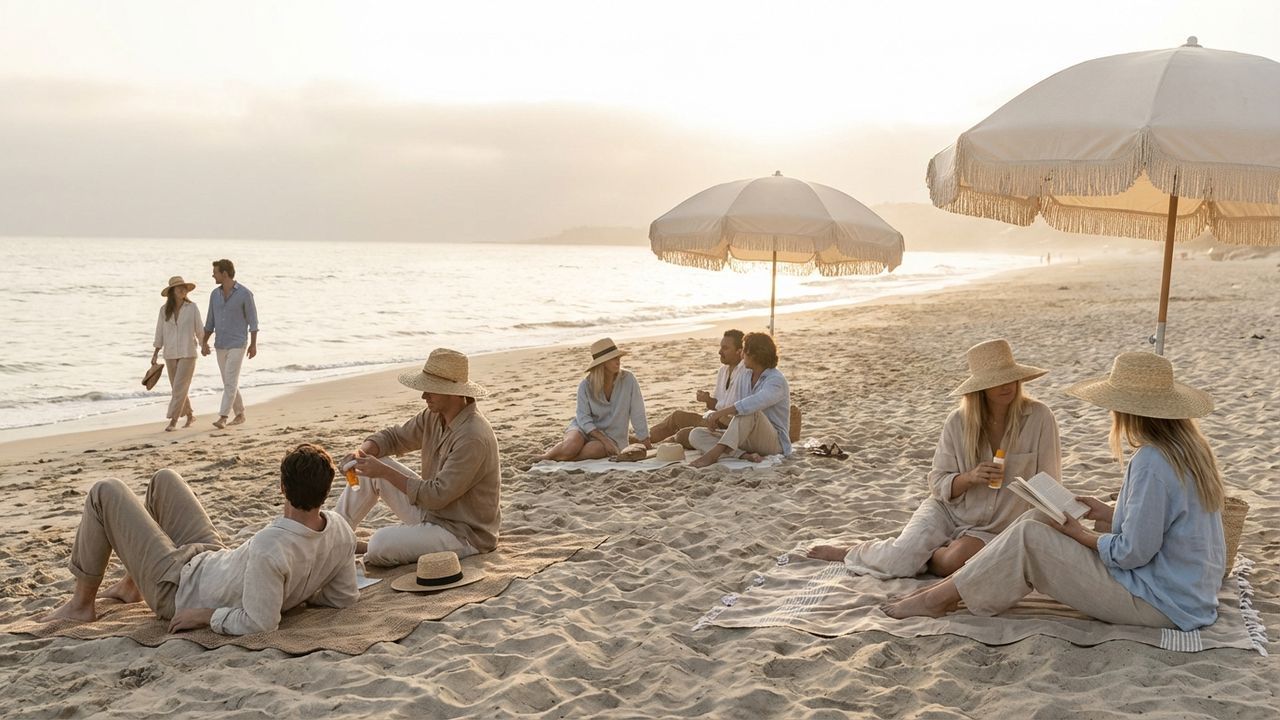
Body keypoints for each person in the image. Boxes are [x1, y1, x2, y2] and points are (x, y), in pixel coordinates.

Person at [884, 351, 1225, 632]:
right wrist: (1109, 514)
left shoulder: (1151, 461)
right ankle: (951, 589)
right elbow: (1161, 526)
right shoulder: (1188, 450)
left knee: (1031, 537)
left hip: (1161, 603)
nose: (1112, 413)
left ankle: (937, 599)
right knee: (1036, 517)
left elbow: (1131, 554)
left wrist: (1081, 535)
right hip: (1185, 594)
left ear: (1128, 410)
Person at [39, 443, 358, 635]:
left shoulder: (269, 548)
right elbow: (342, 596)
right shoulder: (341, 530)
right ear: (326, 489)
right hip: (213, 560)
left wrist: (207, 616)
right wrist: (299, 590)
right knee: (164, 479)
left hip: (178, 589)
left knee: (104, 491)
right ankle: (130, 585)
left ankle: (81, 605)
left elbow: (260, 624)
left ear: (282, 488)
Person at [808, 339, 1060, 577]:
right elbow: (937, 482)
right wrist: (969, 478)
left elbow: (1050, 483)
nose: (1007, 385)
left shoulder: (1039, 417)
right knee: (898, 562)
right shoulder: (957, 422)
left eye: (1011, 378)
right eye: (997, 380)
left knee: (954, 563)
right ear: (981, 387)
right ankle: (851, 552)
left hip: (1000, 524)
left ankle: (923, 554)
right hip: (948, 510)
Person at [338, 348, 501, 567]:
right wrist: (360, 454)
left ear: (453, 392)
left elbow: (437, 495)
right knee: (371, 465)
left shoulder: (472, 437)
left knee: (379, 545)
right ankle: (333, 539)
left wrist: (384, 472)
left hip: (462, 532)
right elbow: (394, 437)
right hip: (433, 512)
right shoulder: (434, 416)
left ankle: (357, 546)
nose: (424, 396)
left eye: (431, 389)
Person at [689, 332, 791, 467]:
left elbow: (754, 403)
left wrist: (719, 413)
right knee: (696, 434)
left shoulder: (776, 380)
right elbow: (737, 408)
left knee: (751, 411)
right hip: (748, 438)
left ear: (754, 355)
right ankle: (743, 455)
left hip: (773, 443)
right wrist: (715, 415)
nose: (741, 355)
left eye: (744, 351)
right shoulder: (745, 375)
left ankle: (715, 454)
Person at [541, 337, 650, 461]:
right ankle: (545, 457)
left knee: (594, 450)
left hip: (612, 436)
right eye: (613, 358)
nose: (618, 361)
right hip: (584, 428)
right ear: (602, 363)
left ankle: (565, 460)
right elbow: (583, 418)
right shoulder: (585, 385)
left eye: (618, 357)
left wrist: (645, 440)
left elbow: (637, 411)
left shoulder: (628, 379)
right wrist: (603, 439)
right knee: (571, 447)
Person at [645, 329, 749, 448]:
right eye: (721, 347)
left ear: (739, 351)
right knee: (677, 416)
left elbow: (742, 410)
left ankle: (656, 445)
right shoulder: (723, 370)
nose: (720, 352)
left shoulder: (746, 372)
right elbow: (717, 405)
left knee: (683, 435)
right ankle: (644, 439)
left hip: (728, 427)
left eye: (725, 348)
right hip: (714, 420)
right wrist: (707, 400)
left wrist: (717, 417)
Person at [201, 258, 258, 429]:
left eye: (215, 272)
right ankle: (240, 414)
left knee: (230, 381)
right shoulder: (214, 295)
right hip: (220, 344)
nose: (213, 275)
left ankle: (223, 417)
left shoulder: (245, 294)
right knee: (228, 381)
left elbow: (253, 321)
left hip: (238, 343)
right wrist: (204, 342)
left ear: (224, 274)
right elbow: (210, 322)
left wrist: (253, 344)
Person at [151, 276, 202, 432]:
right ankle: (190, 415)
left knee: (179, 388)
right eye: (179, 288)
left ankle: (173, 421)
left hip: (188, 352)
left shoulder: (192, 308)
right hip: (170, 353)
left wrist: (204, 345)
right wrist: (155, 352)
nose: (182, 290)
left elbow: (199, 328)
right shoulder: (163, 310)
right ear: (172, 292)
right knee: (178, 388)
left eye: (184, 287)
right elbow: (159, 332)